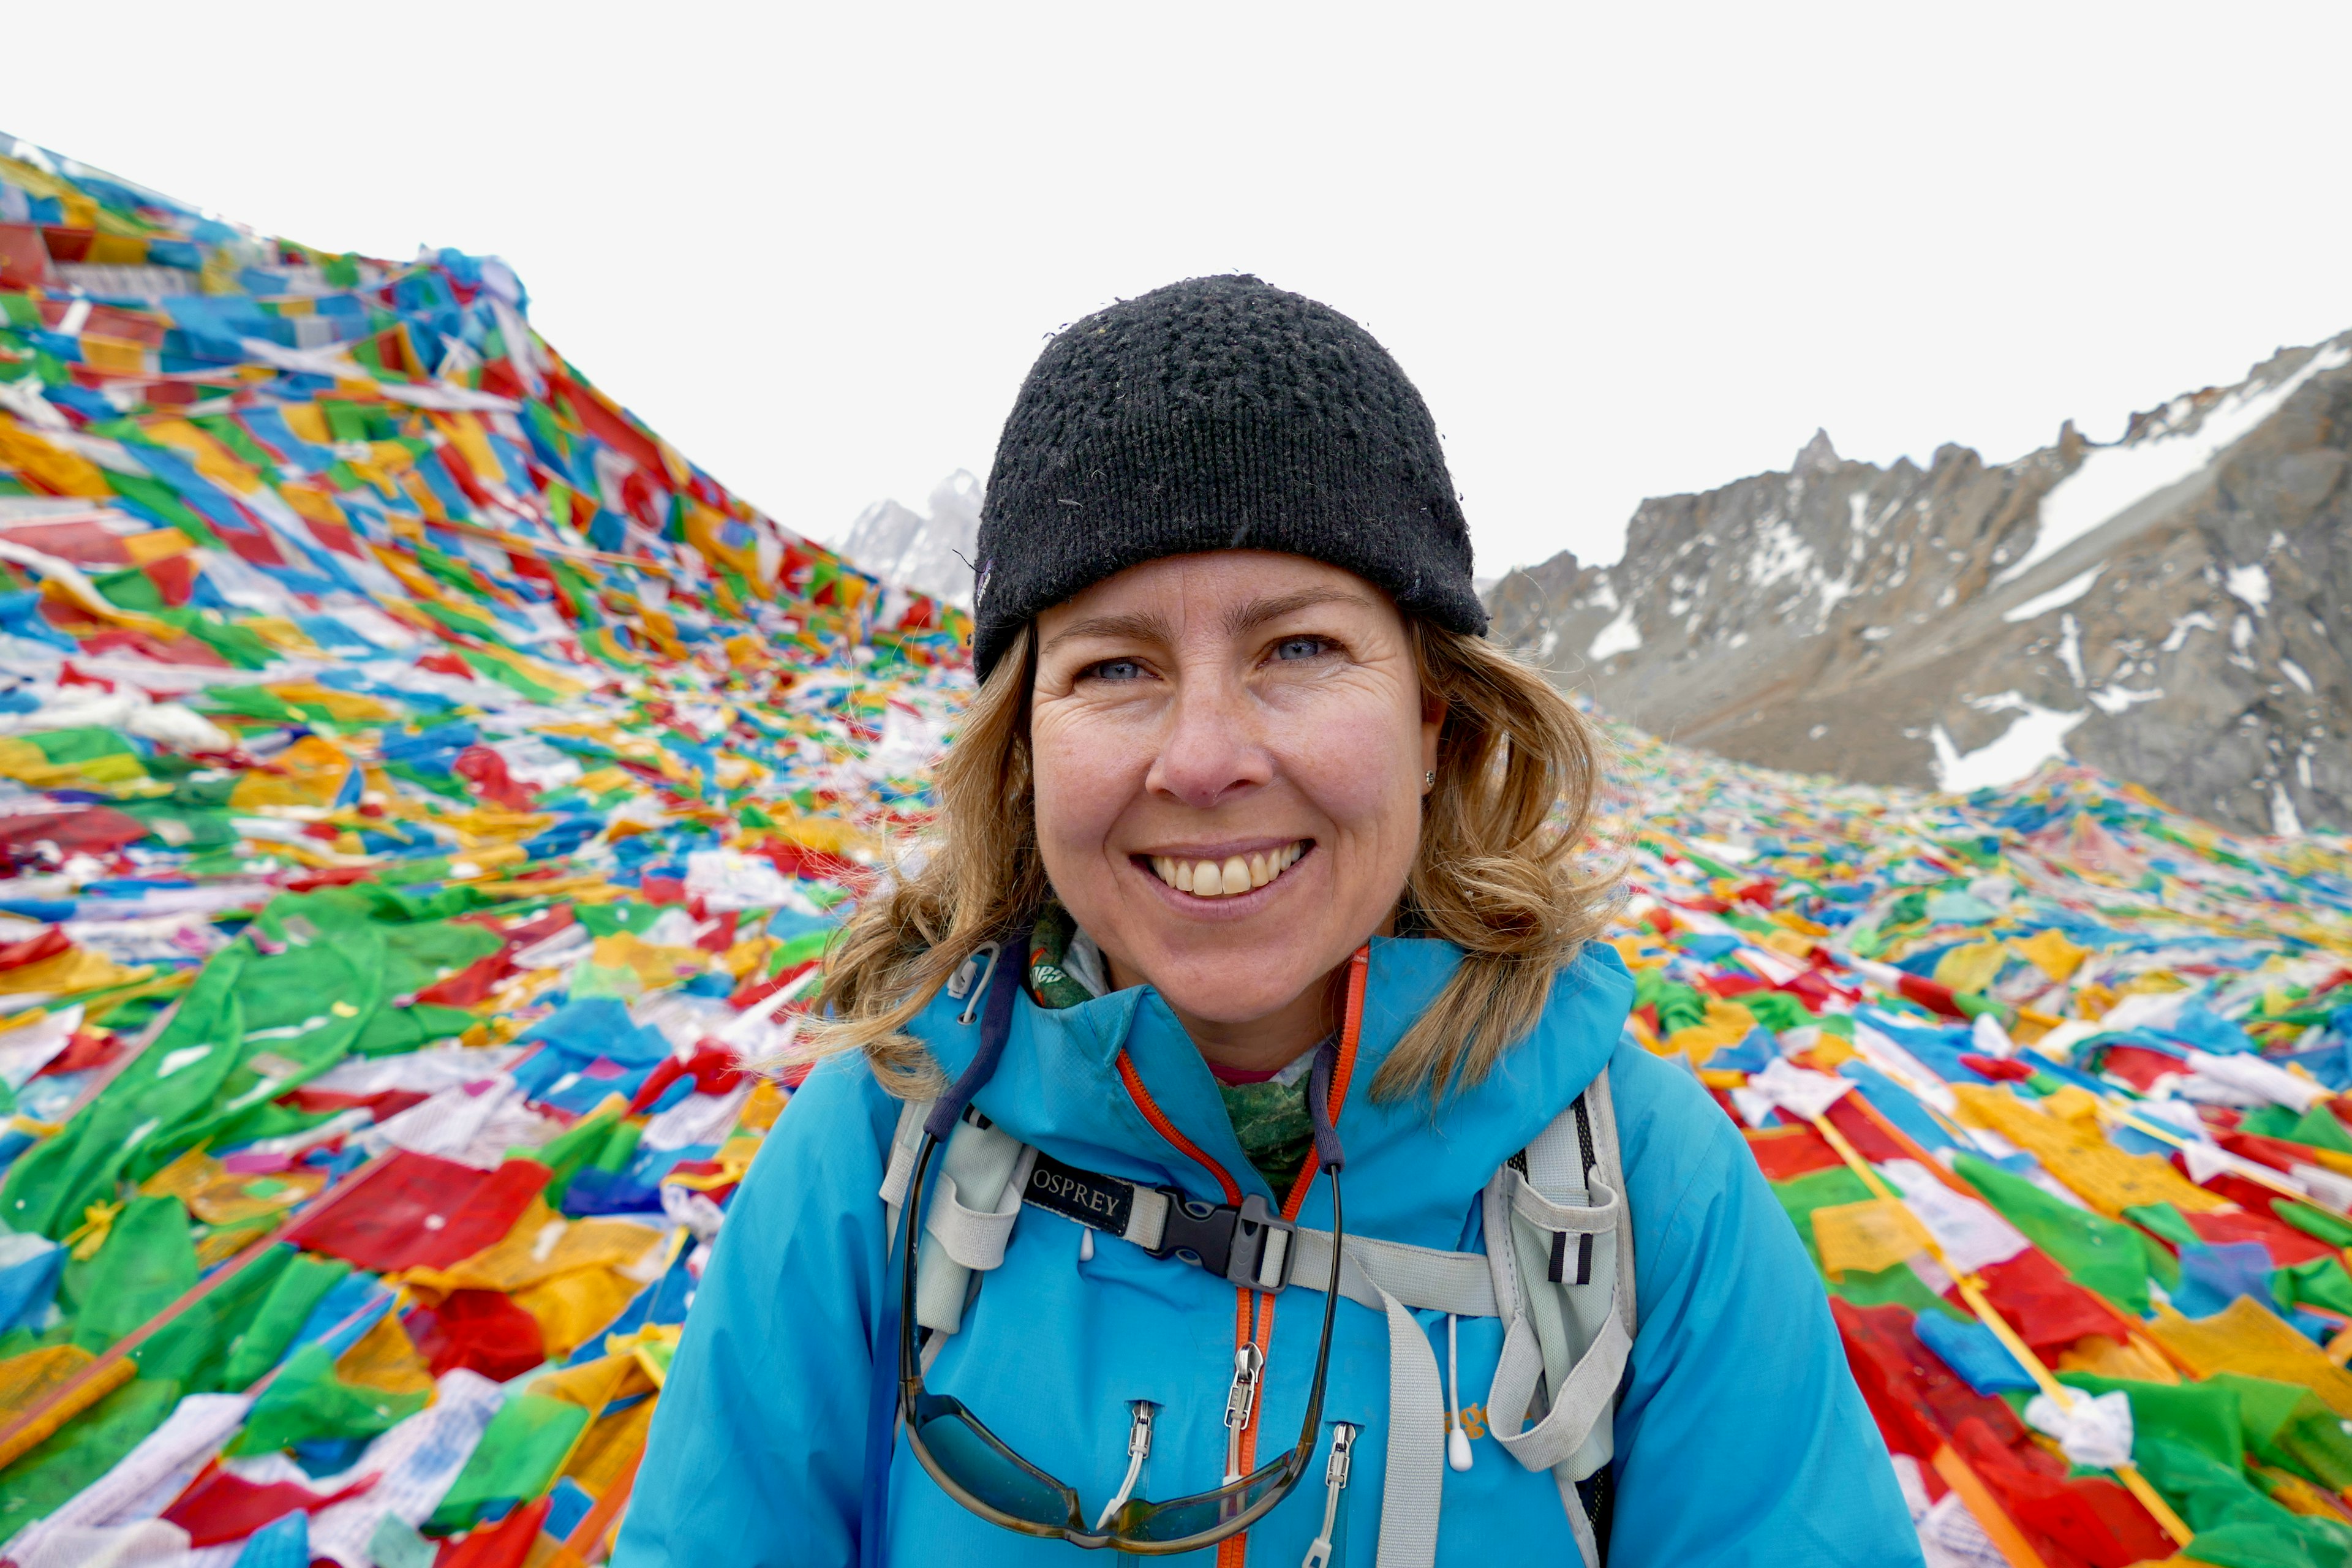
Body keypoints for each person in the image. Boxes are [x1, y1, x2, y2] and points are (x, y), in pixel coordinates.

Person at [615, 276, 1920, 1566]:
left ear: (1432, 716)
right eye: (1114, 666)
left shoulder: (1647, 1191)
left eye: (1296, 648)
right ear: (1022, 745)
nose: (1202, 757)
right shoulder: (878, 1146)